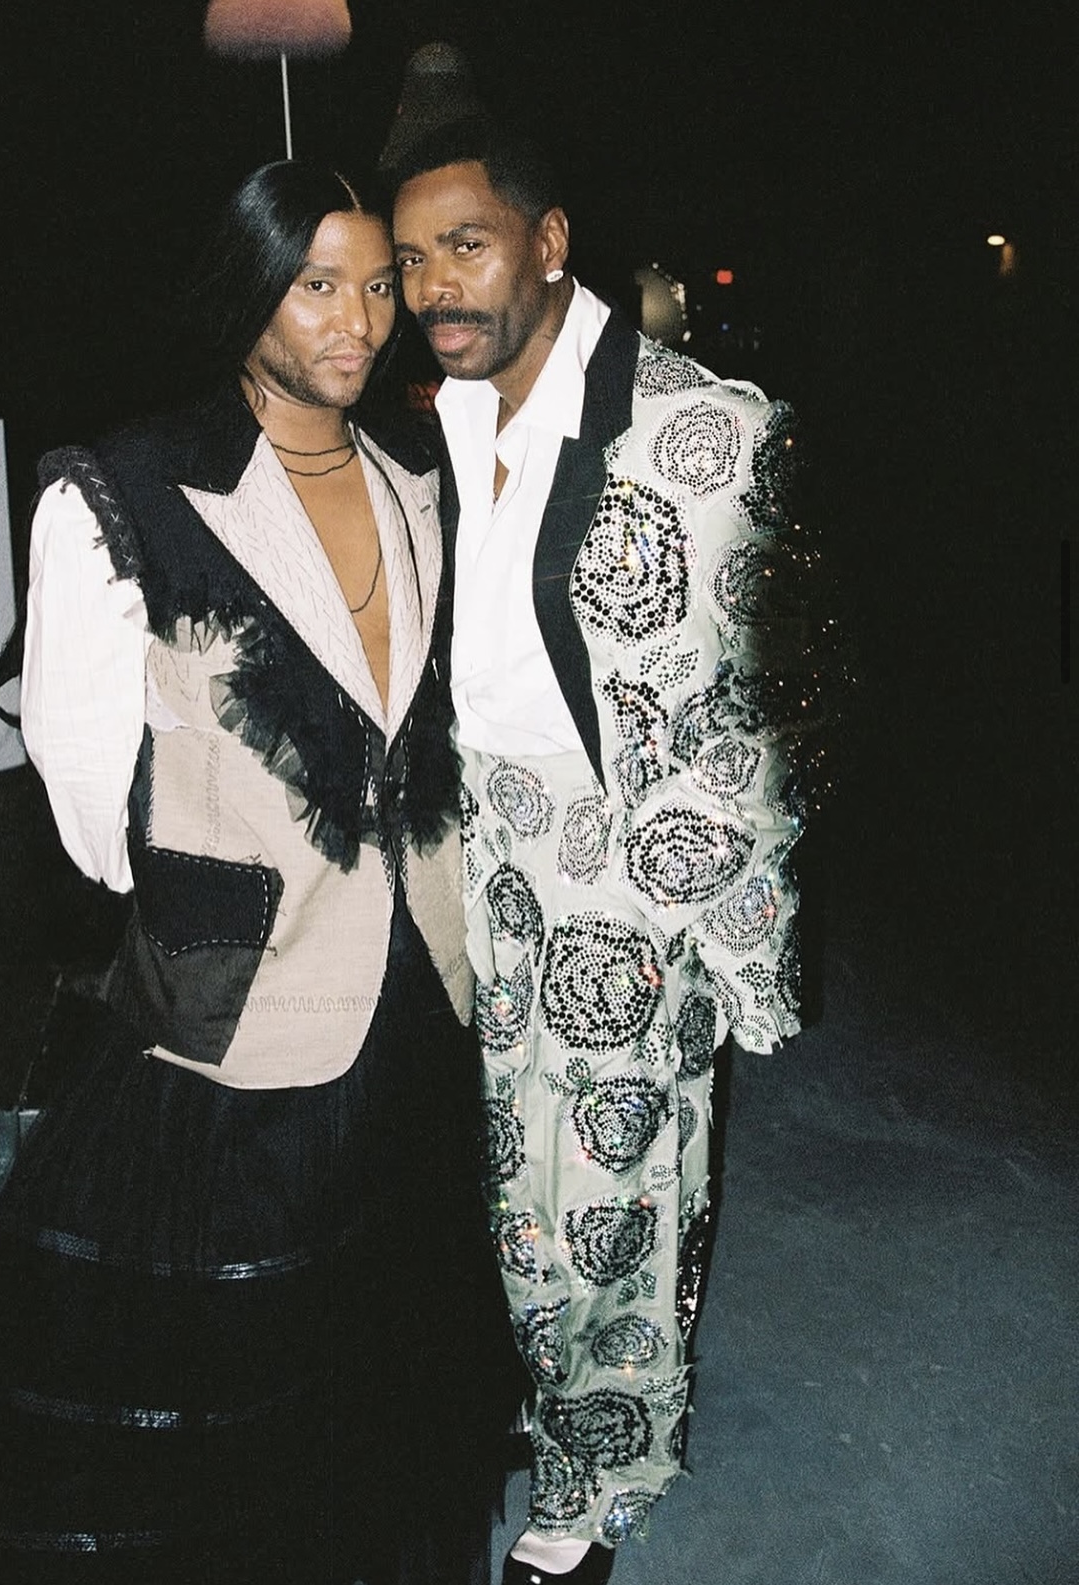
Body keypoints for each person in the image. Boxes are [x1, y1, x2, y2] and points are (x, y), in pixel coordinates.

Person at [0, 160, 521, 1585]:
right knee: (213, 1325)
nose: (359, 322)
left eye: (377, 285)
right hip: (244, 989)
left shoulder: (415, 474)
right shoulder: (125, 488)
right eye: (316, 285)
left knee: (382, 1307)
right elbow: (88, 789)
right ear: (250, 286)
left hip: (421, 969)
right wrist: (215, 871)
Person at [390, 120, 807, 1585]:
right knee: (515, 1164)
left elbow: (741, 709)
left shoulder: (698, 430)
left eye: (466, 244)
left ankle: (597, 1475)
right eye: (411, 259)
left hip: (623, 855)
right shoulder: (447, 415)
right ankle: (558, 1382)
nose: (434, 286)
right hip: (488, 832)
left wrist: (740, 936)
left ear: (549, 242)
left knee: (609, 1187)